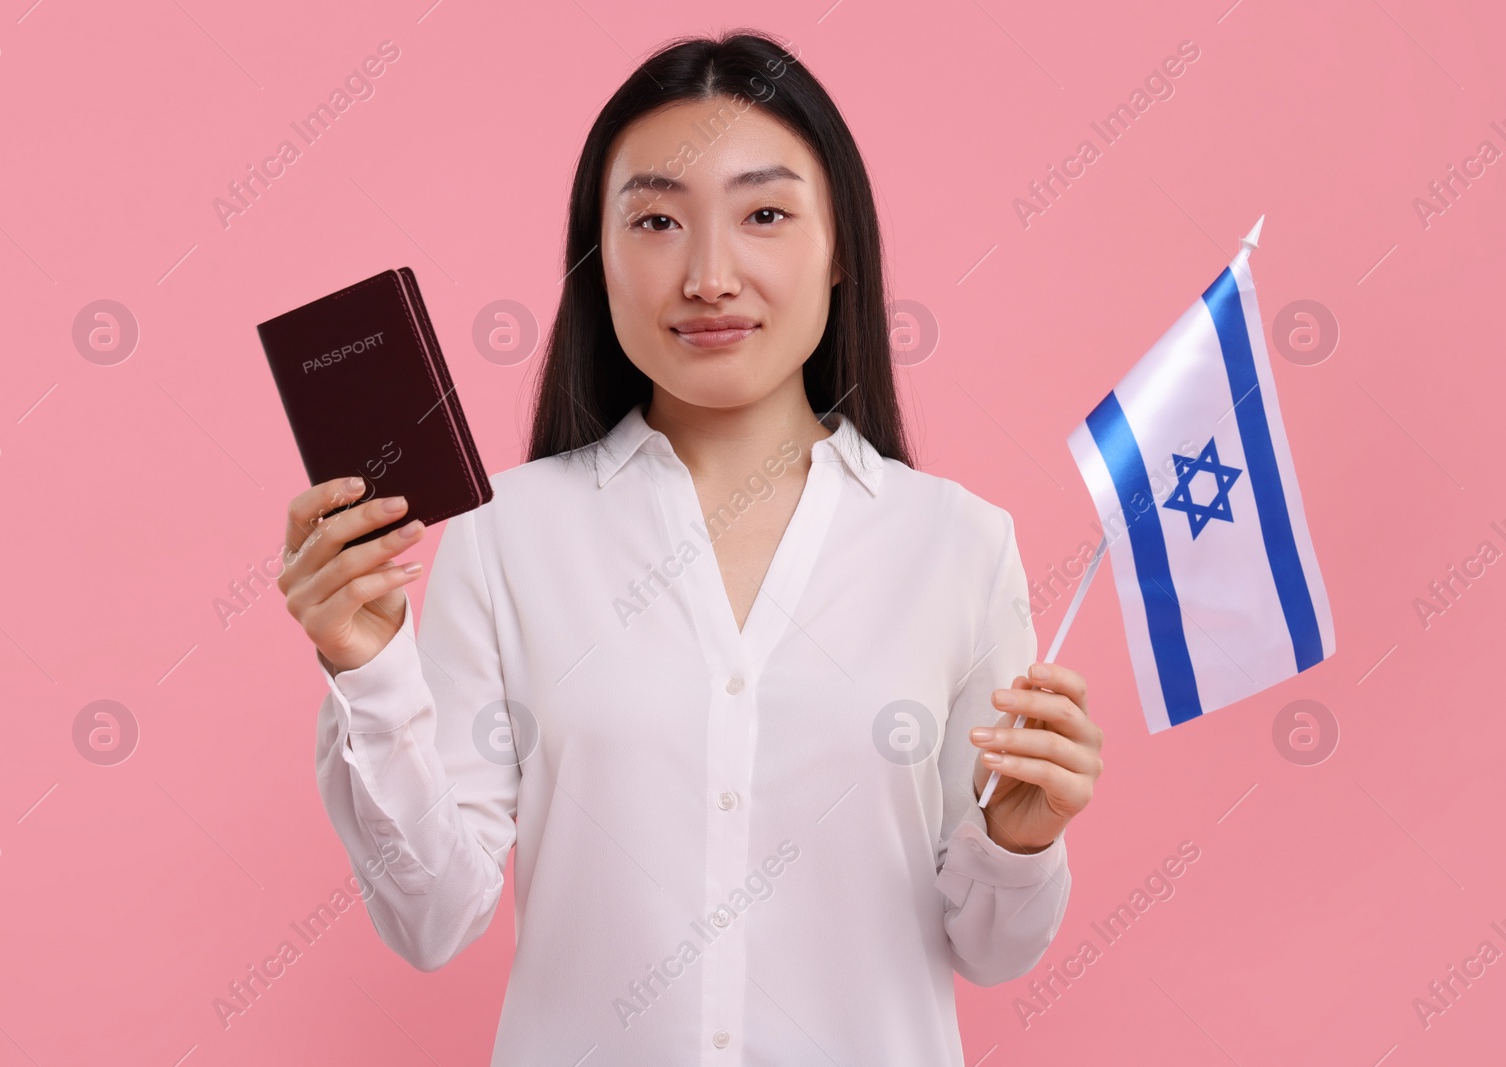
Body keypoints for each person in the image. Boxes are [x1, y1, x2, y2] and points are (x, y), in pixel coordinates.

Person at [279, 28, 1103, 1065]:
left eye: (763, 214)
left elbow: (991, 946)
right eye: (658, 220)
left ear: (840, 243)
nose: (710, 275)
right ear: (599, 254)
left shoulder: (958, 544)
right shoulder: (506, 535)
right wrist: (372, 672)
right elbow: (434, 915)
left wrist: (1019, 841)